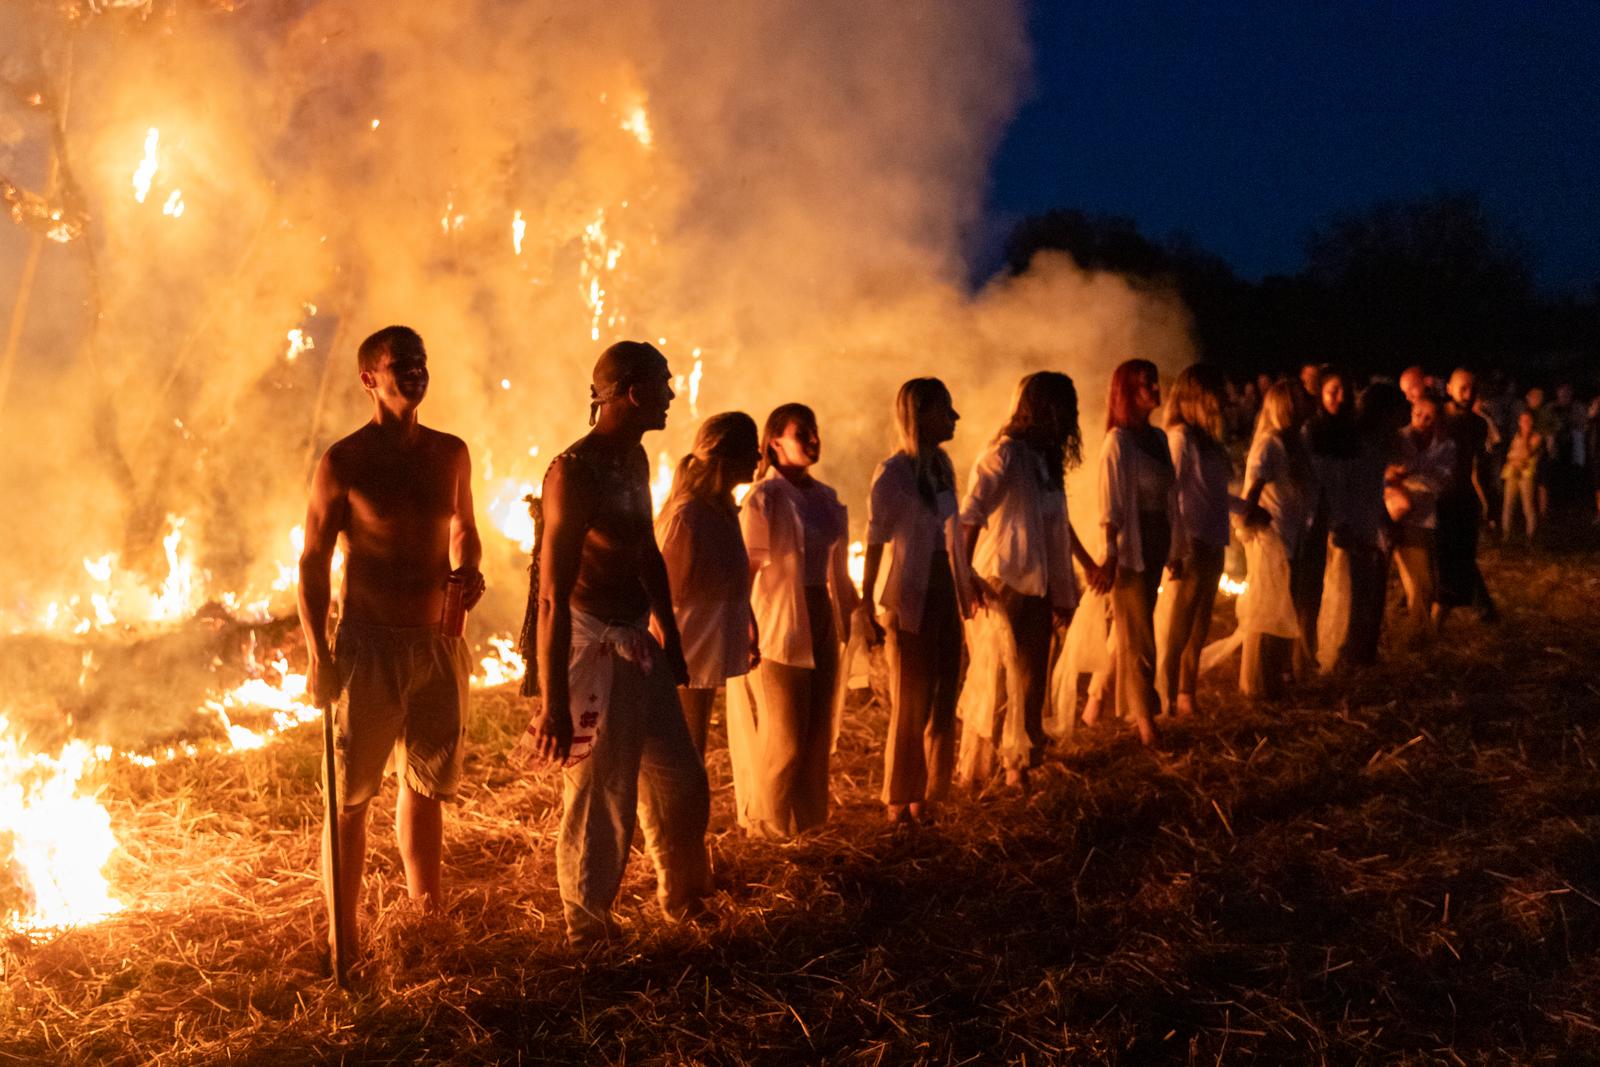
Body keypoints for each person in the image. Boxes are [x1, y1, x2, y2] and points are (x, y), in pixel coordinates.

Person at [299, 325, 486, 969]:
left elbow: (464, 527)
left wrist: (469, 569)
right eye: (400, 363)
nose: (415, 371)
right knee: (351, 798)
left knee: (427, 787)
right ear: (369, 379)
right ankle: (343, 941)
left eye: (421, 361)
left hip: (437, 644)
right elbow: (312, 561)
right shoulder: (345, 462)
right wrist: (318, 656)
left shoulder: (450, 453)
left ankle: (425, 924)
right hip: (368, 648)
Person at [520, 340, 711, 946]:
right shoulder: (572, 473)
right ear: (633, 392)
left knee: (680, 780)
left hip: (635, 641)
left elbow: (645, 549)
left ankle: (682, 900)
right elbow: (552, 597)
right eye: (663, 384)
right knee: (600, 795)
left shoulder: (635, 459)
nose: (672, 395)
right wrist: (554, 702)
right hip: (592, 644)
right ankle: (587, 932)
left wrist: (669, 635)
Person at [957, 371, 1098, 789]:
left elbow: (1057, 526)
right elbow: (970, 516)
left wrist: (1068, 585)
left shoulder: (1044, 463)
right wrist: (965, 577)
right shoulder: (1004, 455)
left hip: (1038, 585)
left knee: (1032, 678)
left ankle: (1019, 763)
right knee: (1000, 678)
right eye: (1065, 407)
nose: (1071, 416)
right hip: (1003, 581)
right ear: (1044, 409)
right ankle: (985, 769)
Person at [733, 403, 859, 838]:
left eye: (814, 431)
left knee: (817, 733)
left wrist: (855, 612)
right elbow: (747, 570)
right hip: (778, 621)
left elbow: (837, 568)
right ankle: (768, 830)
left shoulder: (825, 498)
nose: (813, 440)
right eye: (801, 433)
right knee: (785, 736)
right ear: (775, 442)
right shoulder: (763, 498)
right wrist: (747, 625)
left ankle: (806, 828)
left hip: (819, 613)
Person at [858, 379, 970, 823]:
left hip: (944, 590)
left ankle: (930, 796)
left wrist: (969, 581)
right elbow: (875, 538)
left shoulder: (941, 467)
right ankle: (898, 799)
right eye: (945, 409)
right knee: (911, 700)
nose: (954, 417)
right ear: (920, 415)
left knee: (944, 694)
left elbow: (951, 537)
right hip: (911, 596)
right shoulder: (893, 473)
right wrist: (866, 601)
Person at [653, 412, 762, 756]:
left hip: (705, 649)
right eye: (751, 449)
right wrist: (667, 653)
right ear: (726, 456)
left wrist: (747, 622)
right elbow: (662, 592)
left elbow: (728, 579)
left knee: (694, 743)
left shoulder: (722, 510)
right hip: (688, 652)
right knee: (685, 749)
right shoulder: (689, 516)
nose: (759, 457)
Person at [1159, 364, 1260, 716]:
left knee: (1200, 620)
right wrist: (1174, 546)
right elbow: (1170, 492)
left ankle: (1187, 692)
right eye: (1215, 394)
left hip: (1213, 538)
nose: (1221, 401)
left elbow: (1214, 493)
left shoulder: (1208, 442)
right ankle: (1166, 696)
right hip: (1191, 539)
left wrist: (1246, 508)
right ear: (1197, 396)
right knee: (1179, 623)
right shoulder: (1180, 438)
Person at [1095, 360, 1180, 746]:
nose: (1156, 390)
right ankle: (1145, 721)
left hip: (1156, 540)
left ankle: (1098, 701)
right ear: (1128, 392)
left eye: (1156, 383)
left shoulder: (1158, 439)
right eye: (1147, 385)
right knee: (1140, 635)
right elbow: (1110, 504)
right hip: (1132, 548)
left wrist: (1175, 547)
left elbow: (1170, 497)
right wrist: (1111, 553)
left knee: (1134, 628)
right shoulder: (1118, 442)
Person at [1235, 382, 1314, 698]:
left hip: (1291, 536)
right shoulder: (1269, 444)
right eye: (1300, 401)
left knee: (1283, 609)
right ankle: (1256, 683)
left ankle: (1274, 679)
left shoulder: (1294, 444)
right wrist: (1251, 522)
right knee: (1267, 610)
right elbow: (1252, 492)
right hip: (1272, 539)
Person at [1341, 382, 1409, 667]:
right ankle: (1354, 654)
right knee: (1360, 594)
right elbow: (1352, 489)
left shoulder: (1378, 445)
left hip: (1372, 523)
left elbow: (1374, 488)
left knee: (1374, 591)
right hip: (1358, 527)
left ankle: (1365, 652)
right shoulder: (1359, 446)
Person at [1302, 367, 1360, 672]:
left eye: (1343, 391)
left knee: (1338, 585)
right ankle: (1305, 650)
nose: (1339, 397)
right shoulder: (1310, 429)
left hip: (1340, 515)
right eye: (1332, 391)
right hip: (1313, 517)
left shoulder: (1350, 432)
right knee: (1310, 587)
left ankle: (1334, 646)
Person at [1389, 393, 1454, 647]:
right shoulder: (1397, 439)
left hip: (1425, 519)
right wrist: (1412, 478)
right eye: (1418, 414)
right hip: (1397, 516)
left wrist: (1407, 478)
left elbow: (1441, 483)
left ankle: (1417, 637)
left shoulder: (1445, 446)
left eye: (1428, 417)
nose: (1422, 421)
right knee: (1417, 583)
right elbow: (1386, 474)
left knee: (1423, 583)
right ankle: (1417, 637)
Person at [1435, 369, 1498, 629]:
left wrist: (1487, 501)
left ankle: (1477, 607)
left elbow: (1477, 466)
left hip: (1463, 497)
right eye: (1463, 388)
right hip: (1439, 497)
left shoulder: (1478, 424)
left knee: (1462, 555)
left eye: (1472, 388)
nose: (1468, 394)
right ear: (1449, 388)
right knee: (1445, 556)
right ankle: (1478, 607)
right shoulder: (1436, 417)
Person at [1500, 409, 1543, 544]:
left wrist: (1525, 437)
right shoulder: (1516, 436)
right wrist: (1516, 458)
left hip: (1526, 475)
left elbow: (1526, 453)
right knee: (1508, 505)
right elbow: (1509, 455)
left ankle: (1530, 536)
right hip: (1512, 472)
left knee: (1527, 506)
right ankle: (1506, 534)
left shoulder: (1536, 437)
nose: (1525, 423)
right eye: (1523, 420)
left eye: (1527, 420)